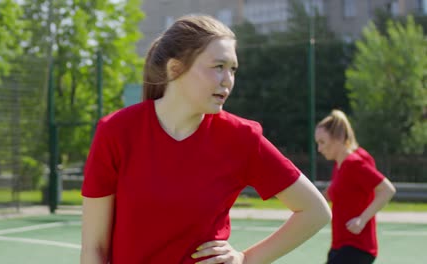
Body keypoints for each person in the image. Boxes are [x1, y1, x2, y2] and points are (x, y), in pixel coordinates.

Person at [80, 14, 331, 264]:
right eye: (218, 67)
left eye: (232, 69)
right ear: (175, 68)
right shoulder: (116, 132)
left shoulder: (241, 138)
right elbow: (94, 249)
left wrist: (245, 259)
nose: (228, 81)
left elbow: (315, 211)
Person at [315, 110, 396, 264]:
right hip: (339, 245)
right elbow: (332, 194)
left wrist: (362, 220)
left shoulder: (354, 164)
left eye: (322, 142)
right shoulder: (339, 165)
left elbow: (387, 190)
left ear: (338, 138)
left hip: (357, 247)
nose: (319, 148)